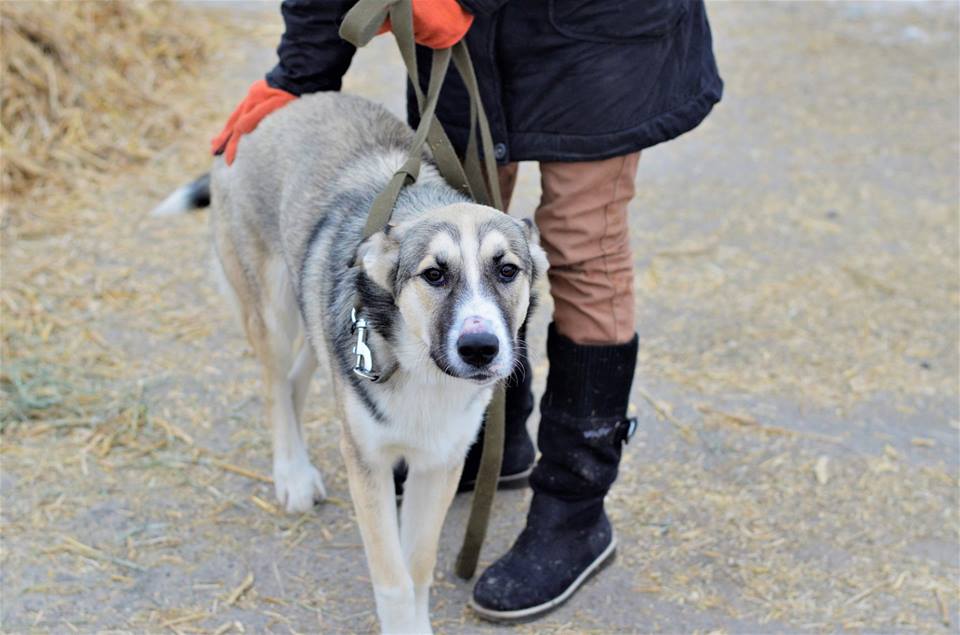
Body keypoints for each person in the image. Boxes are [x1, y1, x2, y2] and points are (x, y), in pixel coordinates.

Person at [212, 0, 722, 621]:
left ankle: (575, 506)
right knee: (462, 222)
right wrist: (304, 69)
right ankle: (493, 442)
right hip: (462, 35)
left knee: (582, 239)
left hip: (602, 28)